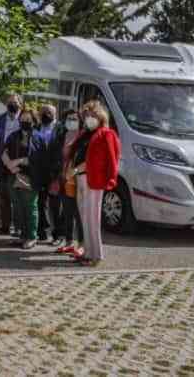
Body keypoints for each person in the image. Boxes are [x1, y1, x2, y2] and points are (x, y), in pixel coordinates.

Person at [73, 101, 121, 267]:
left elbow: (112, 158)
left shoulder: (106, 134)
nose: (89, 119)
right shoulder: (84, 134)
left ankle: (96, 255)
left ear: (100, 116)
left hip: (94, 180)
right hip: (80, 178)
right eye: (86, 116)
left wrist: (111, 179)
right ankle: (87, 251)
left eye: (92, 115)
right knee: (84, 217)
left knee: (93, 219)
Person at [2, 108, 38, 249]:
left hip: (29, 177)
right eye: (22, 119)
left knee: (30, 207)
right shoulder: (13, 136)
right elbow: (3, 152)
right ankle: (22, 235)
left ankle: (31, 236)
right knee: (17, 206)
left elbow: (36, 158)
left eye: (28, 120)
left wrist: (17, 162)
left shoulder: (37, 137)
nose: (25, 122)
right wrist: (9, 165)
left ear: (34, 122)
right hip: (12, 175)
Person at [30, 104, 62, 243]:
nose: (45, 114)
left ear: (55, 113)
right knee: (40, 204)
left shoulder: (61, 129)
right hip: (40, 172)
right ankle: (41, 232)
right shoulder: (35, 128)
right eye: (42, 112)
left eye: (48, 112)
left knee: (56, 206)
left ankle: (57, 234)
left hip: (55, 173)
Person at [0, 93, 24, 236]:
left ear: (20, 104)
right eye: (10, 102)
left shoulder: (25, 119)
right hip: (0, 162)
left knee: (18, 198)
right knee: (4, 198)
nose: (12, 104)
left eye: (15, 102)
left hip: (18, 165)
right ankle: (5, 226)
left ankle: (18, 228)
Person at [56, 110, 84, 257]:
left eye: (74, 119)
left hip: (77, 179)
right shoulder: (62, 136)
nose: (71, 121)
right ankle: (68, 241)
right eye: (69, 119)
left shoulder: (83, 137)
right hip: (63, 178)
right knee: (67, 212)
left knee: (78, 213)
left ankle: (81, 244)